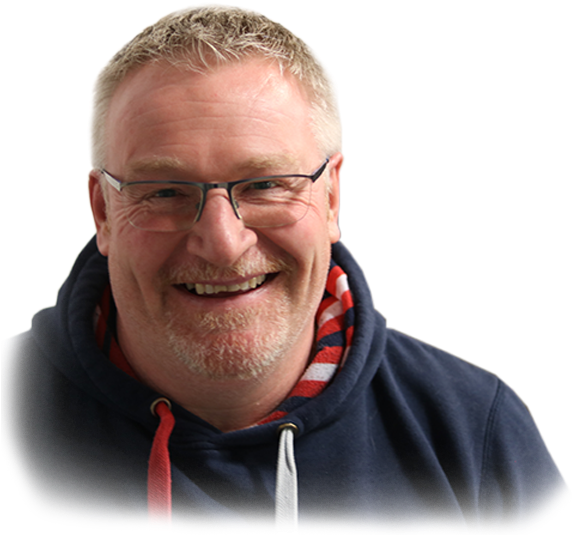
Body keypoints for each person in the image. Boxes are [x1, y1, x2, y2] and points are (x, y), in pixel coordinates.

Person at [2, 3, 569, 533]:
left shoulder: (478, 437)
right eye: (165, 191)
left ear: (332, 197)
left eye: (266, 184)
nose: (223, 245)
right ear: (102, 210)